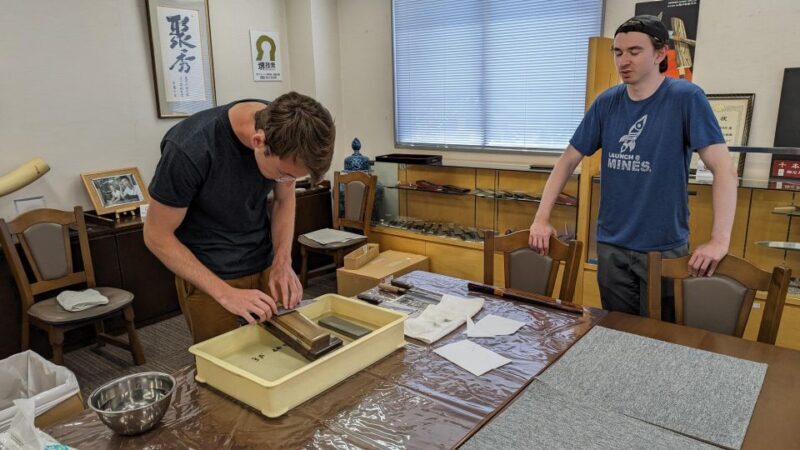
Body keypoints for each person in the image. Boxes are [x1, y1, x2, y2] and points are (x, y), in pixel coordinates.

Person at [528, 15, 737, 321]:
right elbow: (567, 161)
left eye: (634, 51)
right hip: (613, 246)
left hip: (663, 248)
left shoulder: (686, 98)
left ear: (659, 54)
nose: (623, 60)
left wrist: (720, 240)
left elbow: (724, 169)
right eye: (618, 52)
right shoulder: (607, 103)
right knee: (617, 332)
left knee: (662, 339)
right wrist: (541, 218)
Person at [143, 92, 336, 343]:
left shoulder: (285, 126)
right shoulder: (189, 150)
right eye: (285, 174)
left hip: (262, 260)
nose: (288, 182)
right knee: (227, 370)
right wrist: (225, 294)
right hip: (211, 276)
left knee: (280, 353)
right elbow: (156, 235)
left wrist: (282, 261)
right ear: (259, 142)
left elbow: (284, 198)